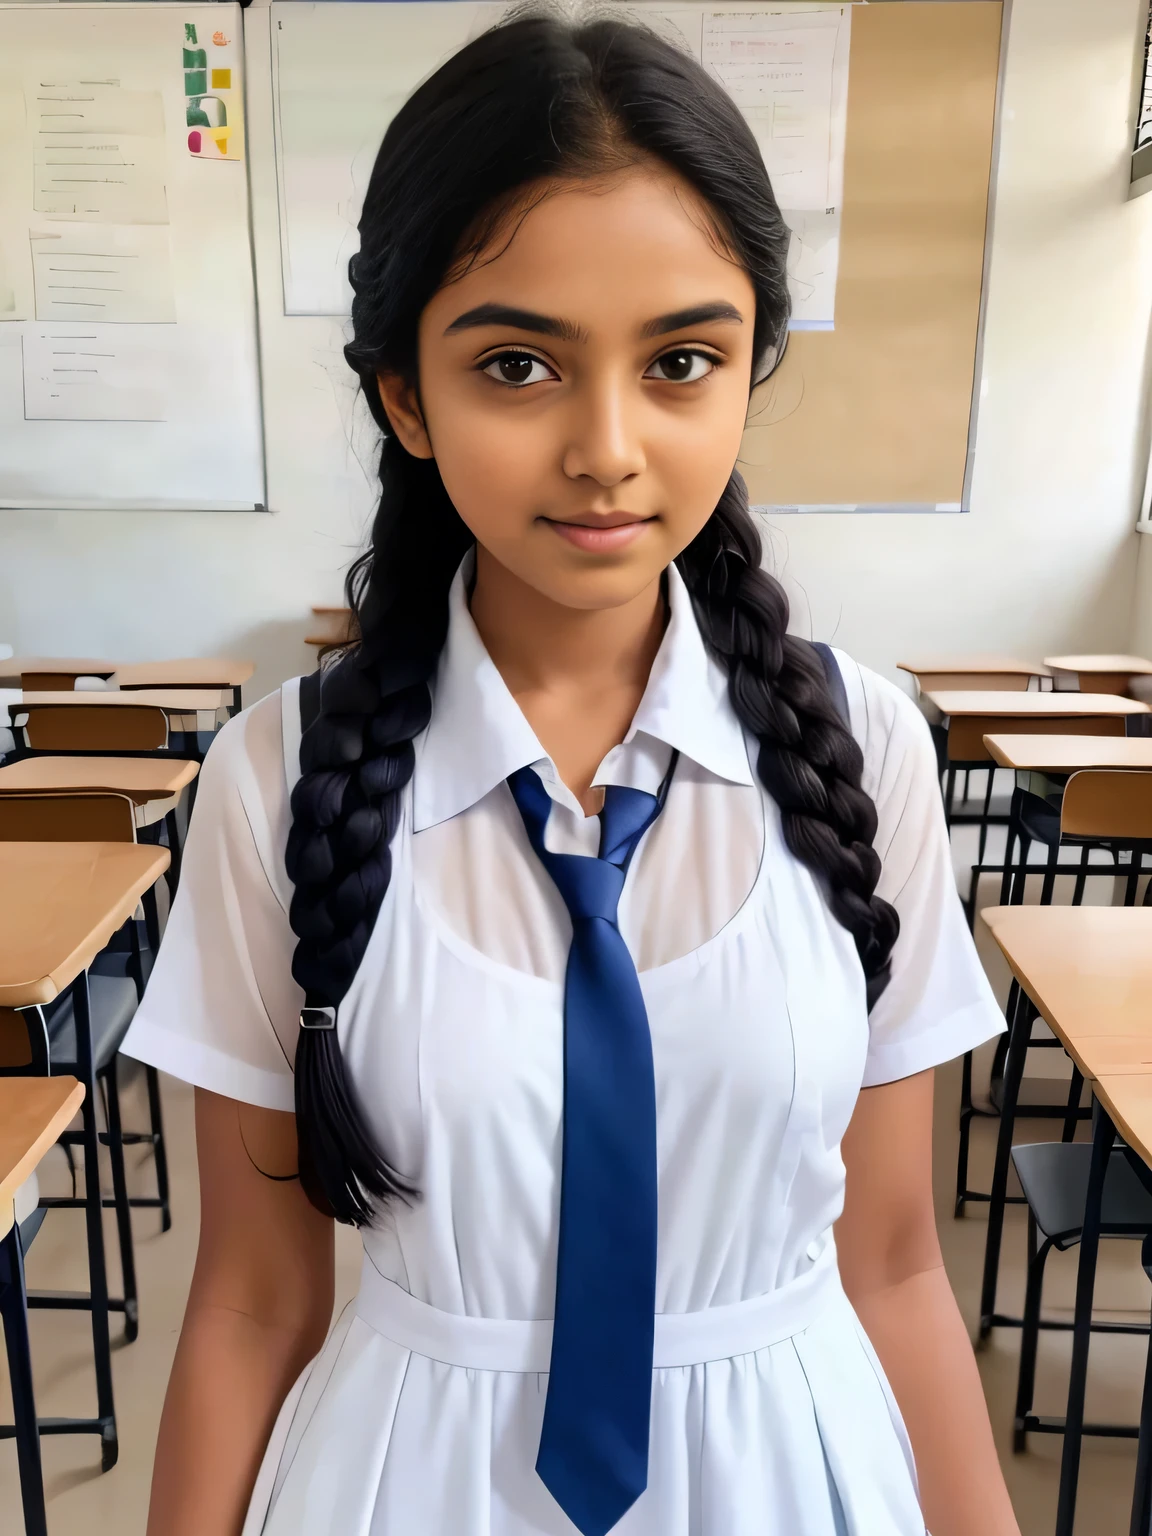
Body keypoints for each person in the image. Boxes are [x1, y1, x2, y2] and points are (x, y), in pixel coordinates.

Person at [123, 13, 1020, 1535]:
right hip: (408, 1486)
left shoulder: (863, 750)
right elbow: (252, 1307)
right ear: (405, 396)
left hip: (794, 1481)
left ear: (750, 372)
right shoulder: (279, 775)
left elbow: (895, 1264)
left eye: (681, 361)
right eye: (519, 364)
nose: (607, 448)